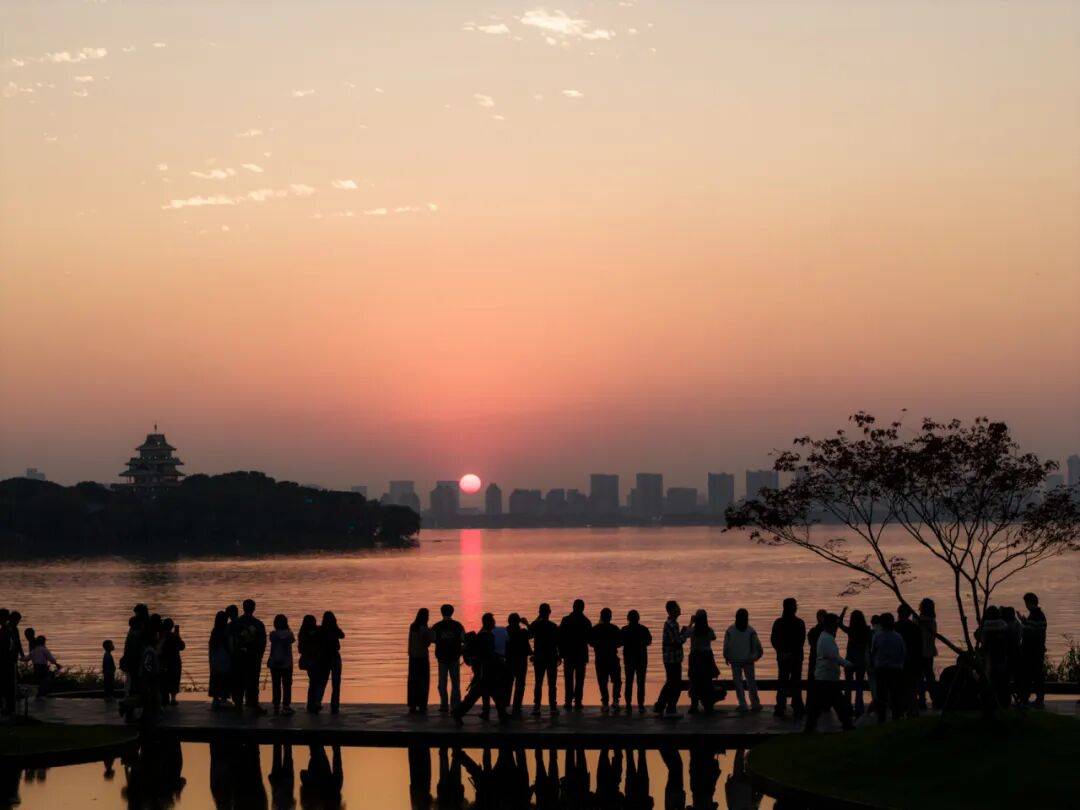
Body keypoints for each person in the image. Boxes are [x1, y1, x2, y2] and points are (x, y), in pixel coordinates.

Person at [453, 613, 510, 723]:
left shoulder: (484, 635)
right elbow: (487, 654)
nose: (494, 623)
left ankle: (501, 715)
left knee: (488, 695)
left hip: (485, 672)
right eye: (492, 621)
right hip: (485, 673)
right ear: (488, 622)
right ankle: (458, 713)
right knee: (477, 695)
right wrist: (498, 659)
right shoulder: (486, 636)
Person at [804, 613, 854, 732]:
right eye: (836, 624)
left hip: (826, 677)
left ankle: (810, 727)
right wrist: (848, 664)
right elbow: (834, 656)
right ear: (831, 625)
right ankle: (847, 725)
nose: (837, 627)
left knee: (822, 705)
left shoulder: (826, 637)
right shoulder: (827, 639)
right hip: (827, 677)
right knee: (837, 703)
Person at [770, 598, 807, 717]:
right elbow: (801, 641)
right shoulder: (800, 623)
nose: (796, 607)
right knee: (796, 682)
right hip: (796, 657)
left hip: (783, 657)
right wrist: (791, 653)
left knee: (782, 681)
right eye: (795, 605)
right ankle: (797, 706)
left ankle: (781, 707)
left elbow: (774, 640)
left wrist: (782, 652)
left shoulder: (778, 622)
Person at [654, 600, 690, 716]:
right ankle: (670, 707)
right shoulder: (672, 624)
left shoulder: (672, 623)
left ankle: (661, 706)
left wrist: (683, 632)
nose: (679, 609)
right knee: (674, 684)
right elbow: (677, 642)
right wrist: (687, 633)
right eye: (677, 607)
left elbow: (674, 639)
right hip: (672, 659)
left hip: (671, 658)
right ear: (672, 610)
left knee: (671, 683)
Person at [723, 608, 763, 713]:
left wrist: (726, 656)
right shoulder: (751, 631)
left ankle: (743, 704)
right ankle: (755, 703)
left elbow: (726, 646)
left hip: (735, 659)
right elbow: (758, 646)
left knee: (738, 683)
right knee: (751, 682)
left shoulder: (730, 630)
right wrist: (756, 656)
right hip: (748, 660)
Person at [869, 612, 907, 723]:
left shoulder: (877, 636)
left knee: (881, 695)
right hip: (896, 669)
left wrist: (873, 664)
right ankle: (896, 717)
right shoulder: (898, 637)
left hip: (881, 669)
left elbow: (873, 652)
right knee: (895, 694)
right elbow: (903, 652)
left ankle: (882, 718)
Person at [232, 599, 268, 714]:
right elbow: (262, 642)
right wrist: (259, 655)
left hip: (239, 657)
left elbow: (231, 641)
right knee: (253, 682)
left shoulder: (236, 623)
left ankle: (238, 704)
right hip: (253, 657)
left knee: (239, 681)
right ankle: (252, 704)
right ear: (254, 609)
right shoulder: (258, 624)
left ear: (243, 608)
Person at [558, 600, 592, 711]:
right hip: (581, 654)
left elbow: (560, 638)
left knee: (568, 679)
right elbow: (590, 639)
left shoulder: (566, 620)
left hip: (568, 654)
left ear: (573, 607)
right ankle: (578, 701)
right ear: (583, 608)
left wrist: (560, 654)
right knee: (580, 679)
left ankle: (568, 701)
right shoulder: (586, 621)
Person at [431, 604, 466, 713]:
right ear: (452, 612)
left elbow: (432, 639)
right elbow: (464, 639)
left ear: (442, 612)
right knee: (455, 683)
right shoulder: (458, 625)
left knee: (442, 683)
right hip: (454, 657)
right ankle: (455, 706)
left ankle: (444, 705)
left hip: (442, 657)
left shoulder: (436, 626)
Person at [976, 606, 1011, 709]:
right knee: (1002, 680)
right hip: (1001, 657)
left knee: (988, 679)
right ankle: (1003, 702)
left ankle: (988, 702)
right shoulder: (1004, 625)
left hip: (988, 657)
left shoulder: (984, 626)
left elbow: (977, 636)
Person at [529, 603, 560, 716]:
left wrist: (538, 618)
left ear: (539, 613)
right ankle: (553, 707)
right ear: (549, 612)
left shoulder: (536, 625)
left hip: (539, 657)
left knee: (538, 683)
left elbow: (529, 633)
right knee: (552, 684)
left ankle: (537, 707)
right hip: (551, 657)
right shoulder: (553, 626)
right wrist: (559, 656)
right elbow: (558, 643)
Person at [590, 608, 623, 712]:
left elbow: (591, 642)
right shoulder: (614, 628)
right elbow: (620, 642)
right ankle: (615, 701)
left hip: (600, 658)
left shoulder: (595, 629)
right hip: (612, 657)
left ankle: (605, 703)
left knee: (602, 681)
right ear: (610, 617)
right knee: (617, 681)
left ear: (601, 616)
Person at [687, 609, 719, 714]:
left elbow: (685, 634)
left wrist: (691, 623)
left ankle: (694, 705)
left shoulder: (692, 631)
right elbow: (713, 637)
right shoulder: (709, 630)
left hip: (695, 657)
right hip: (706, 657)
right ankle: (708, 705)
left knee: (694, 681)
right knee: (707, 681)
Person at [1019, 592, 1047, 708]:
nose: (1026, 605)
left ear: (1030, 602)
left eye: (1026, 603)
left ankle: (1031, 700)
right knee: (1035, 675)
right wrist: (1024, 621)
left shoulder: (1037, 615)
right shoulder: (1037, 615)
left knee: (1032, 675)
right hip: (1036, 650)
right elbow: (1033, 628)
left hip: (1033, 651)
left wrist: (1022, 624)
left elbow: (1031, 632)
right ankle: (1034, 699)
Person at [621, 610, 652, 714]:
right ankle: (641, 705)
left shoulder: (624, 630)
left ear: (628, 618)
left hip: (629, 659)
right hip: (641, 659)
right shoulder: (644, 629)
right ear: (638, 618)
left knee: (628, 682)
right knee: (641, 682)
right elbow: (649, 641)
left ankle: (628, 705)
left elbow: (620, 642)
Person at [315, 611, 345, 715]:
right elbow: (342, 635)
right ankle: (335, 705)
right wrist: (335, 627)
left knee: (322, 682)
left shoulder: (320, 630)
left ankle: (317, 702)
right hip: (334, 657)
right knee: (336, 683)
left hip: (324, 658)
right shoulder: (335, 630)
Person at [840, 610, 870, 715]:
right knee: (859, 684)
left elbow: (840, 624)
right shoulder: (866, 630)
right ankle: (859, 707)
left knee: (848, 684)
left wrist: (843, 612)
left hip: (849, 659)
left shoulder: (850, 630)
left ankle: (848, 707)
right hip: (861, 660)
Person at [895, 604, 923, 715]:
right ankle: (913, 709)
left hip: (899, 661)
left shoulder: (895, 627)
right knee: (912, 687)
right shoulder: (915, 628)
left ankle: (902, 709)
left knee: (899, 687)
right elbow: (919, 646)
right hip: (913, 660)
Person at [268, 614, 295, 715]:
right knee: (287, 685)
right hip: (287, 663)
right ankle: (286, 706)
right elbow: (292, 641)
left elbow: (272, 648)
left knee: (276, 685)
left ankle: (276, 706)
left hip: (275, 663)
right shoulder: (289, 635)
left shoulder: (273, 635)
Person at [505, 613, 532, 716]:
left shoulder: (505, 632)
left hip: (509, 660)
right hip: (521, 661)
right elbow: (532, 634)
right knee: (520, 684)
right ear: (518, 622)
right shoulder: (523, 632)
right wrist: (527, 624)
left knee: (508, 684)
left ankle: (505, 704)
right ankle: (516, 706)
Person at [407, 608, 433, 713]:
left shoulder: (412, 626)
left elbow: (410, 642)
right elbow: (427, 643)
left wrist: (410, 652)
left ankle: (412, 704)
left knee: (413, 681)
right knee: (423, 681)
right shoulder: (424, 629)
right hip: (422, 657)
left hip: (413, 657)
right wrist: (430, 633)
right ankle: (422, 704)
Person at [297, 614, 322, 713]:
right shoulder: (318, 631)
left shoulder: (302, 633)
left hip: (309, 660)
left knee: (313, 682)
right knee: (315, 682)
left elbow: (300, 649)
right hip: (315, 660)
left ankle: (311, 703)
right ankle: (313, 703)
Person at [208, 611, 233, 709]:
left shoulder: (214, 631)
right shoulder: (226, 631)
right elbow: (228, 646)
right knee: (224, 677)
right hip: (224, 658)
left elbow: (212, 647)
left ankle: (215, 698)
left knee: (215, 677)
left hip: (215, 659)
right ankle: (224, 697)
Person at [916, 598, 938, 710]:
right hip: (929, 652)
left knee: (920, 677)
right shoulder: (932, 621)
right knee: (930, 677)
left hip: (920, 652)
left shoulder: (918, 621)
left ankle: (922, 700)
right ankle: (935, 699)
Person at [160, 618, 185, 706]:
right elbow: (182, 646)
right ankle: (173, 699)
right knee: (174, 679)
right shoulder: (173, 636)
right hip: (174, 661)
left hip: (164, 661)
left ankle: (164, 698)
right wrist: (177, 635)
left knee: (165, 680)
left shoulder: (161, 636)